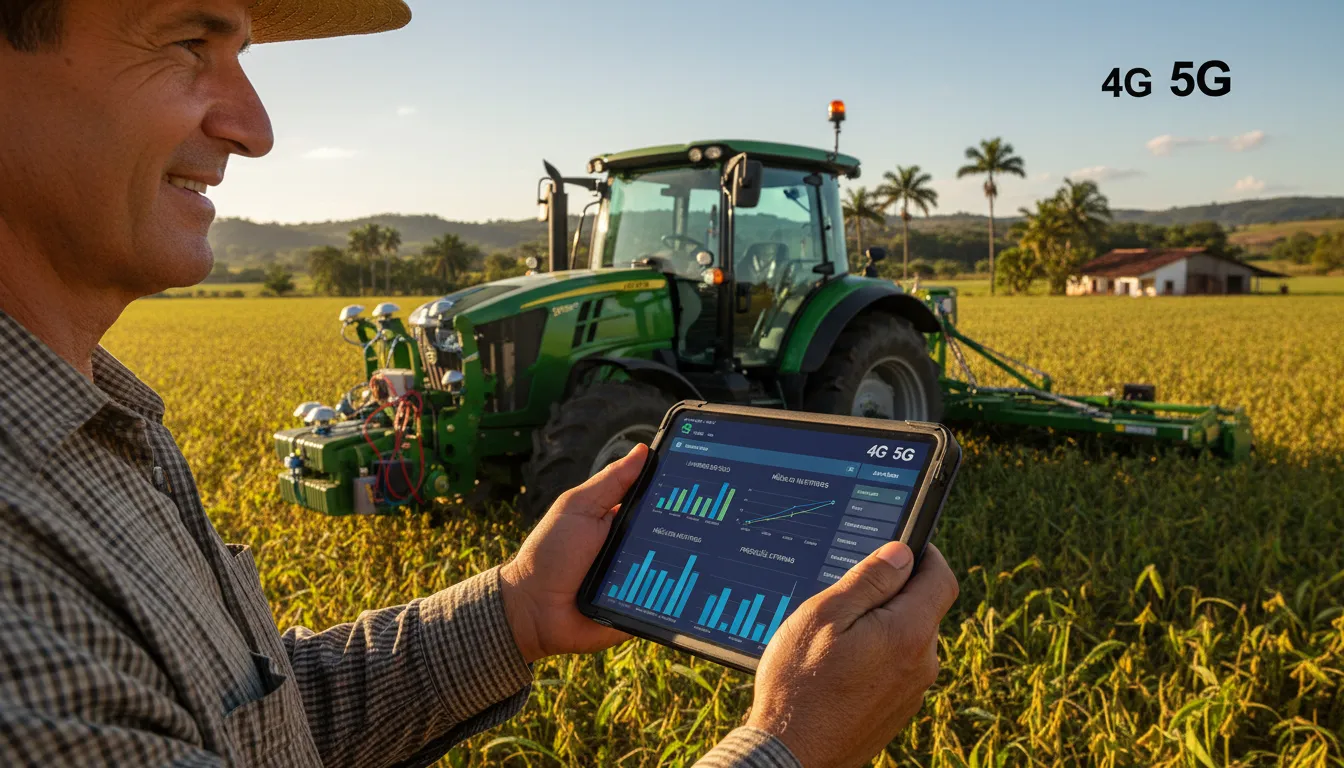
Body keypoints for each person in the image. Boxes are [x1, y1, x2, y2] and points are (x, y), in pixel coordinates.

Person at [0, 1, 961, 766]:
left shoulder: (95, 424)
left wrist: (515, 607)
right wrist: (792, 745)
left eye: (241, 54)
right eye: (185, 42)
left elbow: (256, 722)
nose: (256, 128)